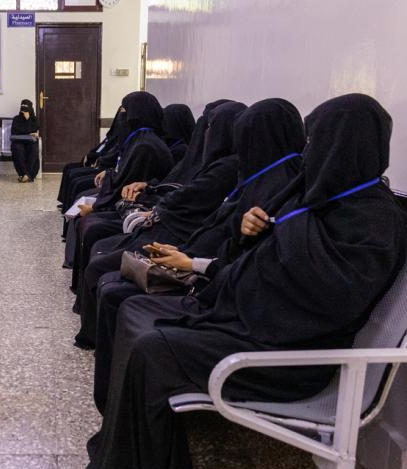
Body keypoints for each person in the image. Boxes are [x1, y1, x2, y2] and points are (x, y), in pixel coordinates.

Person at [60, 93, 406, 469]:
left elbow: (326, 301)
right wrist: (251, 234)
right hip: (253, 325)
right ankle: (128, 457)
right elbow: (261, 266)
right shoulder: (321, 201)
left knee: (152, 347)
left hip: (291, 356)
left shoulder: (374, 220)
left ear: (346, 145)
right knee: (140, 320)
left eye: (317, 140)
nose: (309, 152)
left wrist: (282, 232)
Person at [92, 98, 306, 410]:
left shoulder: (280, 190)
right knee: (112, 281)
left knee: (116, 290)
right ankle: (115, 399)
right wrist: (185, 252)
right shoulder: (257, 180)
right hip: (206, 269)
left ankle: (122, 405)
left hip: (224, 295)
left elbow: (264, 269)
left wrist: (193, 263)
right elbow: (224, 234)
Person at [71, 101, 245, 334]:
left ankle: (92, 334)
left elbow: (185, 198)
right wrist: (150, 191)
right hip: (163, 223)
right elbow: (174, 187)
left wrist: (152, 204)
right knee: (96, 240)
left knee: (99, 249)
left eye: (212, 126)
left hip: (178, 238)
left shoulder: (225, 168)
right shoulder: (205, 161)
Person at [64, 92, 174, 276]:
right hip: (128, 201)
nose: (121, 114)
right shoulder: (138, 141)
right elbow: (123, 177)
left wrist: (95, 207)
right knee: (83, 211)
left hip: (140, 207)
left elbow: (126, 185)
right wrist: (108, 176)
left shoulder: (145, 146)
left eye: (124, 109)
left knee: (90, 224)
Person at [10, 99, 40, 182]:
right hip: (19, 141)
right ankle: (24, 174)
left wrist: (28, 120)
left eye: (26, 111)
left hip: (31, 142)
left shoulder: (34, 119)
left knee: (33, 149)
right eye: (23, 110)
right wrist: (29, 131)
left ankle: (28, 175)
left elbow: (36, 131)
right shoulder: (16, 119)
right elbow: (15, 131)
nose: (24, 112)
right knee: (17, 148)